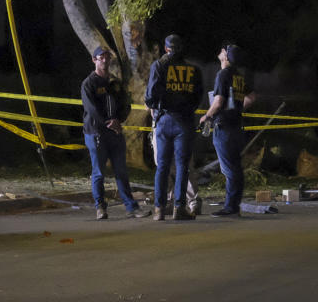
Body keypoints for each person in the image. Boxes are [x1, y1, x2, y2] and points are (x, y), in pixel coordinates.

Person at [81, 46, 150, 220]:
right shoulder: (89, 83)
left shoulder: (115, 83)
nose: (105, 60)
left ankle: (132, 208)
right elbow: (92, 109)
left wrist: (119, 120)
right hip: (96, 133)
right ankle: (100, 207)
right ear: (94, 60)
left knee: (121, 171)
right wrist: (108, 123)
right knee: (99, 173)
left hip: (115, 133)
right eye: (101, 57)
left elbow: (125, 105)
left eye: (107, 57)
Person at [145, 34, 204, 221]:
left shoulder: (159, 66)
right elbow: (198, 97)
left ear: (165, 48)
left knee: (162, 166)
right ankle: (179, 207)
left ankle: (159, 210)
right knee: (182, 167)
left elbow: (150, 97)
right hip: (184, 122)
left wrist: (158, 106)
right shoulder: (193, 70)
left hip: (163, 120)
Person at [200, 43, 254, 217]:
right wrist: (237, 109)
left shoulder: (223, 74)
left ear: (227, 57)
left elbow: (218, 101)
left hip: (224, 127)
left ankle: (231, 208)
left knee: (230, 170)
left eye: (224, 50)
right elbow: (252, 97)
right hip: (236, 126)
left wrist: (207, 116)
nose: (221, 50)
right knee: (235, 168)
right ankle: (233, 206)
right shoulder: (239, 76)